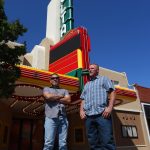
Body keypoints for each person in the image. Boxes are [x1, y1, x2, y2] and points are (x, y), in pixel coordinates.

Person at [80, 64, 116, 150]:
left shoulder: (104, 79)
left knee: (107, 141)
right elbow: (83, 99)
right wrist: (81, 110)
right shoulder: (86, 84)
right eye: (89, 68)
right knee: (93, 144)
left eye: (92, 68)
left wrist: (110, 107)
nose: (90, 70)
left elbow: (113, 92)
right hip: (88, 117)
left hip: (102, 115)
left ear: (97, 71)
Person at [43, 73, 71, 150]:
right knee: (48, 142)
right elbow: (47, 96)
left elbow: (68, 100)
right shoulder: (46, 89)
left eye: (57, 78)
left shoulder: (64, 90)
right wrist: (61, 97)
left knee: (63, 143)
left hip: (63, 118)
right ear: (50, 81)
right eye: (53, 78)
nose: (55, 79)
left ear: (59, 80)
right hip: (50, 117)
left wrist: (53, 98)